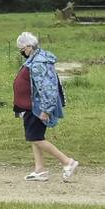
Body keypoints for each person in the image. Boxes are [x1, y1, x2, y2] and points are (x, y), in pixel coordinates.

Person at [14, 31, 79, 182]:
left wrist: (46, 109)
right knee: (35, 137)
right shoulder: (35, 59)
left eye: (22, 50)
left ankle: (67, 162)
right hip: (29, 106)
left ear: (29, 47)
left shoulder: (38, 63)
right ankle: (40, 170)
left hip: (36, 107)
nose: (21, 53)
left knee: (36, 138)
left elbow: (47, 87)